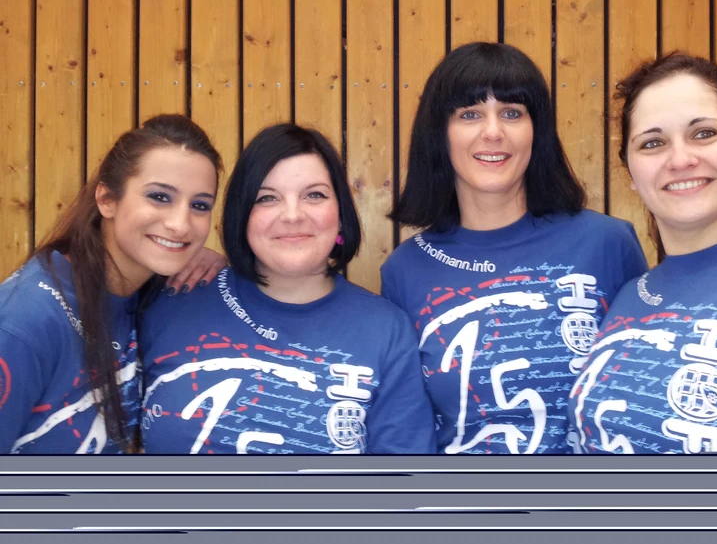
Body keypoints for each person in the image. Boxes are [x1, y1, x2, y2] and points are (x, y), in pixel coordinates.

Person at [381, 42, 648, 454]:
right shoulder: (406, 268)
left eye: (511, 113)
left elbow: (643, 396)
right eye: (470, 114)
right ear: (440, 134)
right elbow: (409, 431)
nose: (493, 132)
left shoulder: (607, 243)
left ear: (536, 131)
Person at [140, 124, 436, 454]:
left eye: (314, 195)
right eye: (267, 198)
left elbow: (402, 477)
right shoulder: (172, 299)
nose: (292, 215)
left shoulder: (386, 330)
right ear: (242, 216)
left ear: (340, 214)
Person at [567, 52, 717, 454]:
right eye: (653, 143)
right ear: (631, 174)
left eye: (704, 133)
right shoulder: (630, 295)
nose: (680, 159)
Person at [0, 114, 222, 453]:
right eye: (160, 197)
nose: (181, 224)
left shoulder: (149, 291)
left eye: (199, 205)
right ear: (107, 199)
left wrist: (219, 261)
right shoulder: (24, 322)